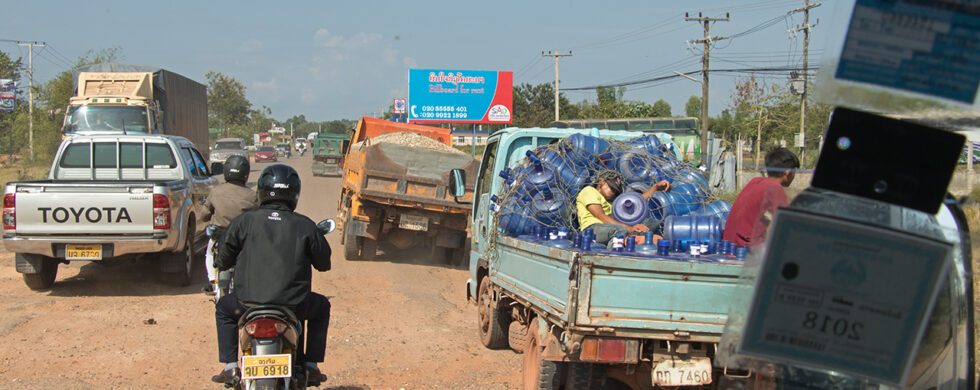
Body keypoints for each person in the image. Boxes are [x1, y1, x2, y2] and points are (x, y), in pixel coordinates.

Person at [211, 164, 332, 386]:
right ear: (295, 192)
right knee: (321, 307)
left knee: (223, 309)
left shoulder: (243, 222)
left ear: (261, 190)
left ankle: (230, 367)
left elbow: (222, 260)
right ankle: (311, 366)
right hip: (294, 305)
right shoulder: (305, 226)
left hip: (246, 304)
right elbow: (324, 264)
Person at [199, 155, 259, 295]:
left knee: (208, 253)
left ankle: (213, 281)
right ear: (246, 174)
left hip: (219, 236)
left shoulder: (215, 191)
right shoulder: (252, 196)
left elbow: (204, 216)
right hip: (243, 239)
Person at [723, 147, 799, 247]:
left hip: (729, 243)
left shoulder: (756, 182)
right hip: (744, 247)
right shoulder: (775, 189)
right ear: (788, 172)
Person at [577, 170, 671, 246]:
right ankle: (613, 253)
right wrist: (629, 228)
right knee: (620, 230)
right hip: (592, 230)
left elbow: (637, 202)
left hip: (611, 228)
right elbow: (600, 215)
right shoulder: (589, 191)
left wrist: (655, 188)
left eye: (615, 191)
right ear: (601, 181)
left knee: (650, 223)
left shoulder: (610, 203)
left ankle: (634, 239)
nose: (613, 192)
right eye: (611, 188)